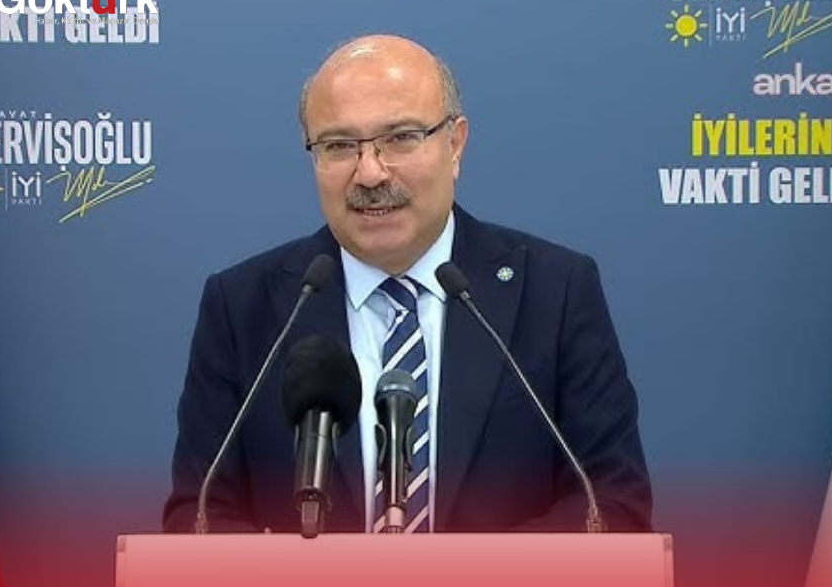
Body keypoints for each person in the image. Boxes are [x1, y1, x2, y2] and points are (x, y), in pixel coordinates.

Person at [163, 34, 652, 534]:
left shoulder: (555, 292)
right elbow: (197, 518)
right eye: (339, 146)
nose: (370, 173)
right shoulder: (243, 307)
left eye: (400, 138)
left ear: (455, 143)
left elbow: (612, 505)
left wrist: (457, 581)